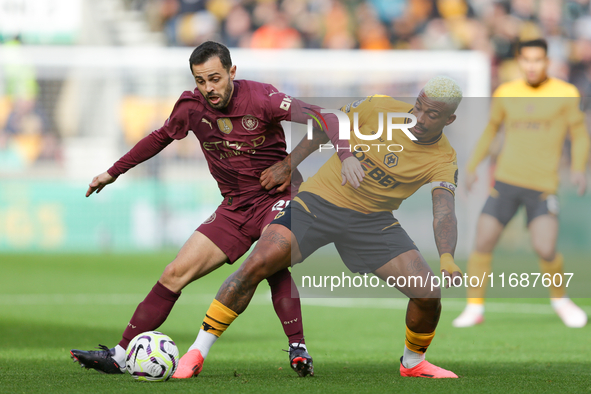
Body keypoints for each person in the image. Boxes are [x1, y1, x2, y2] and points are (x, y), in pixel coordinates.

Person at [70, 41, 364, 377]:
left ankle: (297, 346)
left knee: (268, 261)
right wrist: (113, 171)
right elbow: (159, 137)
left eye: (215, 79)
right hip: (235, 208)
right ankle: (121, 356)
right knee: (173, 274)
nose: (208, 88)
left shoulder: (261, 98)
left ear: (231, 72)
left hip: (280, 198)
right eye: (200, 81)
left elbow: (327, 117)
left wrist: (310, 160)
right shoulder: (191, 107)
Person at [173, 76, 464, 379]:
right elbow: (327, 124)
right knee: (256, 265)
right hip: (318, 204)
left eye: (431, 114)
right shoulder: (379, 108)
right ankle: (197, 351)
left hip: (373, 221)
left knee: (428, 292)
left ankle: (413, 362)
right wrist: (289, 163)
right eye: (417, 107)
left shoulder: (444, 158)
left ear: (449, 119)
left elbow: (444, 211)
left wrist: (447, 258)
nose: (418, 117)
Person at [453, 39, 590, 328]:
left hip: (542, 186)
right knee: (483, 240)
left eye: (538, 60)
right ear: (519, 62)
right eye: (526, 60)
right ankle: (474, 307)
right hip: (505, 182)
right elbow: (492, 129)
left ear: (547, 62)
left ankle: (561, 300)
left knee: (545, 247)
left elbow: (578, 133)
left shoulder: (565, 93)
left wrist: (579, 168)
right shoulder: (506, 92)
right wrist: (472, 165)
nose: (532, 65)